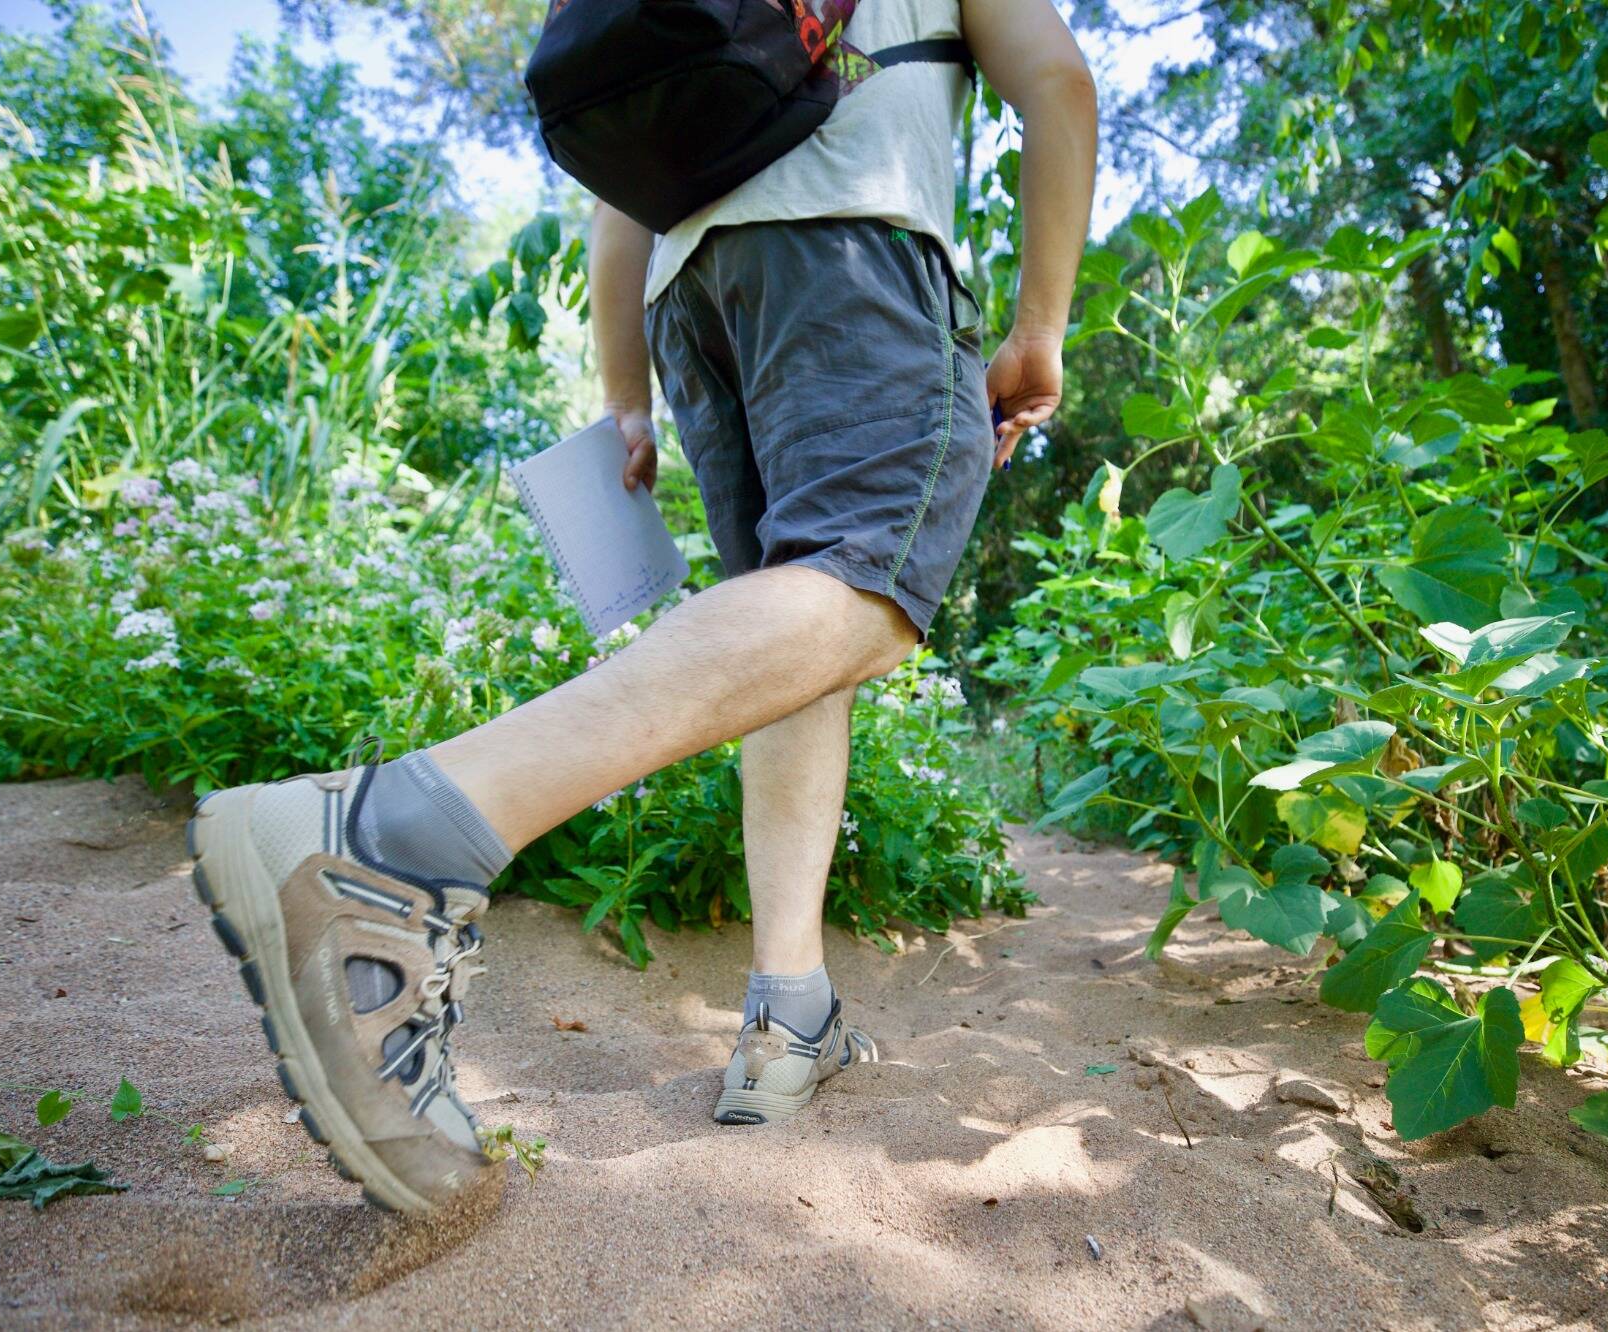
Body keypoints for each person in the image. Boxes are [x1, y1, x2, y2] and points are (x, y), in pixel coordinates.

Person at [185, 0, 1096, 1214]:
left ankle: (788, 1013)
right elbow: (1057, 86)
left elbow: (623, 189)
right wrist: (1039, 328)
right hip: (858, 252)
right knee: (867, 596)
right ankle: (393, 837)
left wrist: (627, 395)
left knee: (793, 632)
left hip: (692, 293)